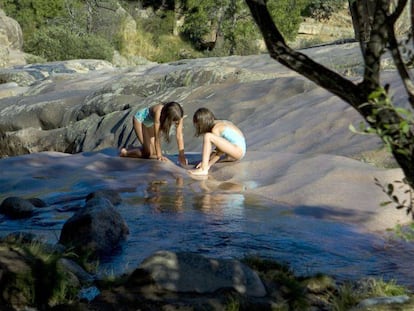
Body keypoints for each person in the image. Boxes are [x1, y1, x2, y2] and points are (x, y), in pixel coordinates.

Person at [120, 101, 188, 166]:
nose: (176, 123)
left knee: (154, 153)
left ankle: (138, 148)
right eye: (174, 121)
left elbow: (179, 135)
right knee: (148, 153)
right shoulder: (158, 112)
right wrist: (159, 156)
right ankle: (125, 153)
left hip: (150, 124)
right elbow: (157, 136)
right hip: (140, 120)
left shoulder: (179, 114)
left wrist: (181, 155)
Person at [188, 107, 246, 176]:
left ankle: (203, 170)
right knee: (210, 140)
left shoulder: (215, 129)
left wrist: (207, 165)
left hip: (238, 151)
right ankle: (204, 166)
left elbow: (220, 151)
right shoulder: (220, 122)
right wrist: (206, 161)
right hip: (238, 150)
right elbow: (220, 148)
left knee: (208, 136)